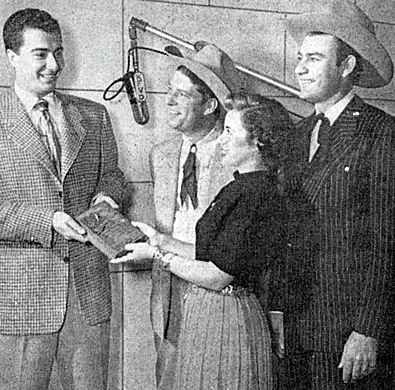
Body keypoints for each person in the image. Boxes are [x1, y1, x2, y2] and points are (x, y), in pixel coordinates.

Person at [112, 91, 293, 389]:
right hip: (210, 316)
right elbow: (214, 253)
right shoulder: (241, 187)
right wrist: (161, 241)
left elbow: (217, 275)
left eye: (230, 132)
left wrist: (156, 256)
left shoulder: (255, 195)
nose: (221, 140)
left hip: (227, 320)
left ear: (258, 142)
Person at [0, 8, 128, 390]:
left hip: (88, 294)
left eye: (58, 52)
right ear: (12, 56)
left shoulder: (94, 115)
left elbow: (114, 176)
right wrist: (47, 220)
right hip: (22, 299)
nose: (54, 64)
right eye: (41, 54)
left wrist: (109, 195)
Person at [283, 1, 395, 388]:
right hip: (300, 330)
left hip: (350, 338)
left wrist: (369, 330)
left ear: (347, 67)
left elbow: (387, 243)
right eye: (300, 58)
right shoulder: (298, 134)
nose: (299, 68)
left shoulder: (381, 134)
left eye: (314, 58)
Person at [147, 42, 241, 387]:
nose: (169, 101)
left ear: (210, 105)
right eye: (169, 91)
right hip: (169, 297)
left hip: (220, 298)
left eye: (182, 95)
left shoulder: (238, 155)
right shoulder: (161, 154)